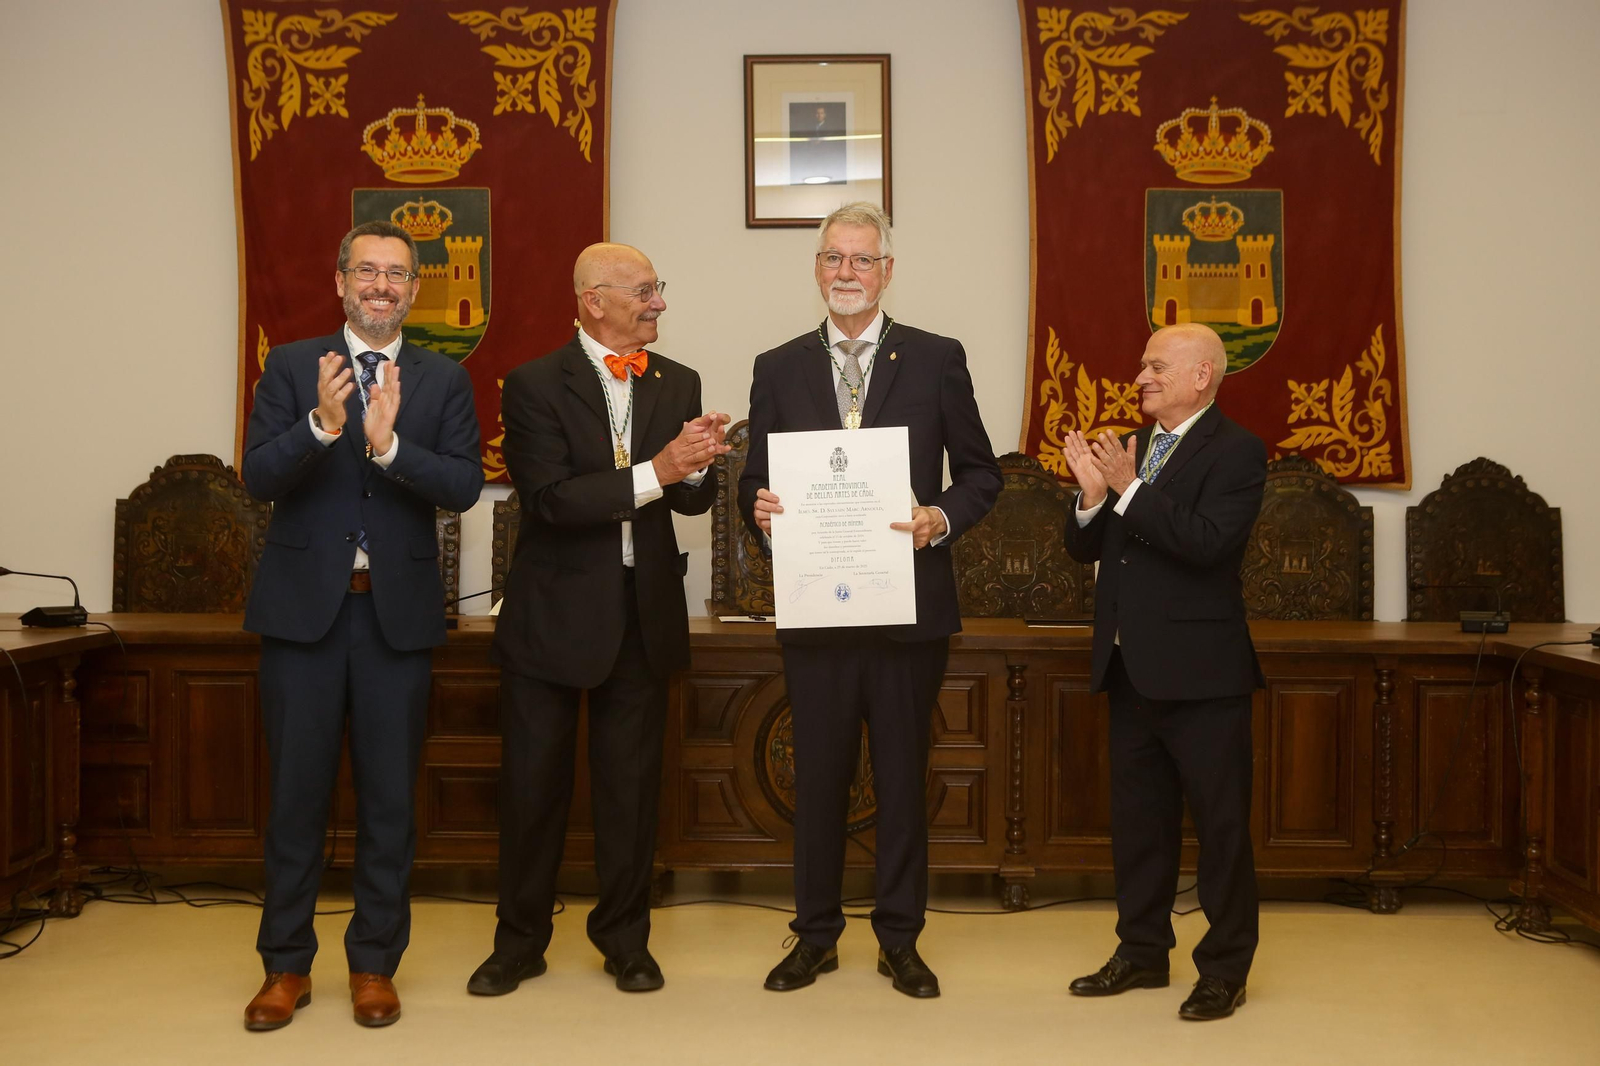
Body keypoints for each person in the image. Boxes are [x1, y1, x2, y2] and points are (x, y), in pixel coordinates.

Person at [738, 202, 1000, 998]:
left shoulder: (935, 358)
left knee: (898, 776)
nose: (845, 273)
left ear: (887, 270)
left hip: (908, 612)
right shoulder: (777, 365)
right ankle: (814, 934)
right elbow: (754, 481)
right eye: (832, 259)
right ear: (816, 270)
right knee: (815, 780)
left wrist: (940, 518)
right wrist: (761, 510)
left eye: (860, 260)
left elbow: (984, 474)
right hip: (818, 613)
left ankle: (900, 938)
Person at [240, 220, 485, 1029]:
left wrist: (387, 449)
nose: (381, 286)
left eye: (397, 275)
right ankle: (285, 968)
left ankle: (375, 964)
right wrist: (321, 426)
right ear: (341, 280)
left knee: (389, 805)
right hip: (304, 620)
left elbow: (461, 487)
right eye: (367, 272)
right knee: (294, 801)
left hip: (395, 622)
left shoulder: (443, 382)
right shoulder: (291, 365)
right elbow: (258, 475)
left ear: (417, 291)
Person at [469, 243, 729, 996]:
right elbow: (551, 500)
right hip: (551, 621)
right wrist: (660, 469)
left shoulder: (677, 379)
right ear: (595, 301)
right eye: (645, 292)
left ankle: (626, 940)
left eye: (658, 289)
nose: (659, 304)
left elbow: (690, 503)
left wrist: (701, 462)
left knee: (631, 793)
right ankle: (518, 943)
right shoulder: (532, 384)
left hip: (641, 617)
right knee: (531, 792)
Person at [1060, 322, 1266, 1021]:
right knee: (1140, 827)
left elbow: (1209, 546)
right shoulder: (1135, 448)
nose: (1141, 376)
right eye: (1142, 364)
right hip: (1128, 669)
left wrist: (1128, 490)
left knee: (1222, 831)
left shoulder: (1237, 451)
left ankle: (1224, 969)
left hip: (1205, 676)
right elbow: (1084, 548)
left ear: (1201, 375)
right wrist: (1093, 495)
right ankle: (1142, 953)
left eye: (1156, 366)